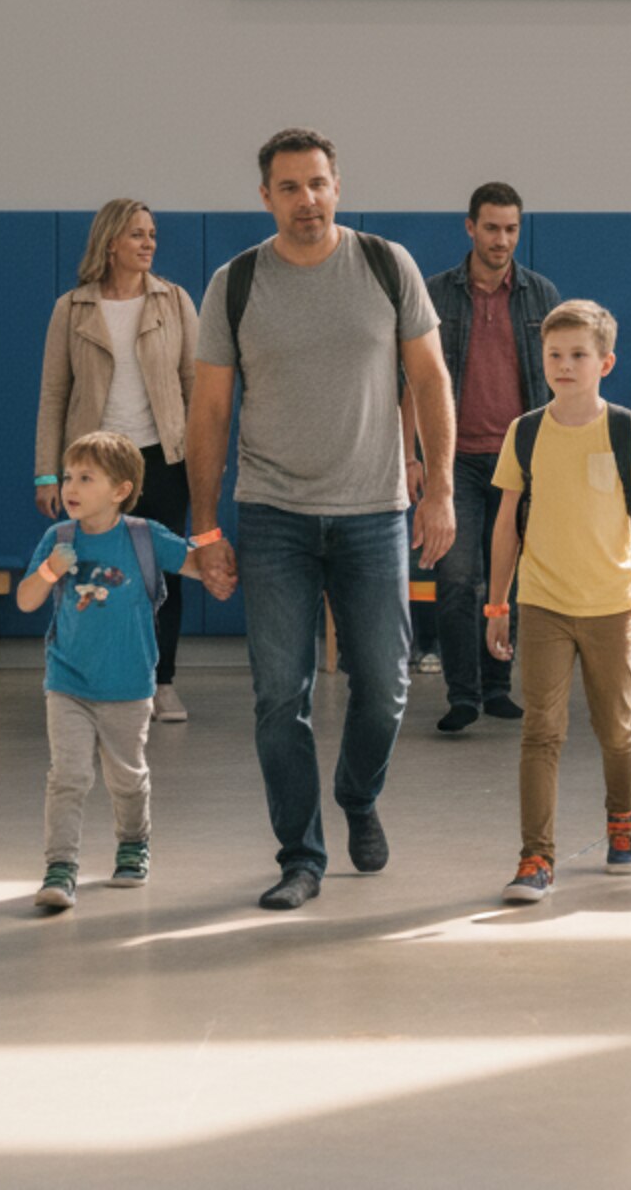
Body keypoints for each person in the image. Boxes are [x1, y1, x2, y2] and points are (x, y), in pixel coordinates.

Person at [185, 128, 456, 912]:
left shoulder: (385, 264)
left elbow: (430, 378)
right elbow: (207, 411)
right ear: (266, 196)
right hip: (273, 516)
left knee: (386, 686)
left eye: (319, 183)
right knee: (279, 696)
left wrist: (438, 489)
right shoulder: (235, 283)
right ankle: (300, 856)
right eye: (290, 187)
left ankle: (358, 796)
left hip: (375, 512)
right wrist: (205, 530)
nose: (308, 199)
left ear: (338, 186)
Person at [488, 300, 631, 907]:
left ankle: (624, 822)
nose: (564, 366)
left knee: (615, 727)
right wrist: (497, 604)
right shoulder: (526, 431)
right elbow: (506, 524)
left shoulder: (626, 430)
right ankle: (535, 857)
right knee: (541, 732)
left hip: (613, 605)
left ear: (606, 363)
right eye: (554, 356)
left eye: (577, 356)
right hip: (542, 603)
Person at [15, 430, 227, 913]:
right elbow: (26, 601)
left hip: (129, 686)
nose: (71, 486)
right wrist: (49, 570)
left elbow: (198, 565)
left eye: (86, 478)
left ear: (120, 490)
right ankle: (60, 867)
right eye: (69, 476)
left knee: (126, 777)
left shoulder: (144, 538)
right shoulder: (58, 538)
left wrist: (224, 566)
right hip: (67, 684)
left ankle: (133, 844)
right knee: (67, 776)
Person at [35, 200, 201, 721]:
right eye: (136, 235)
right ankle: (93, 681)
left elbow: (197, 388)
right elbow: (54, 395)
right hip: (97, 464)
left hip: (164, 459)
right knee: (93, 572)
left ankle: (161, 682)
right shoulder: (73, 307)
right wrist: (49, 472)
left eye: (152, 234)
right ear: (110, 243)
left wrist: (203, 462)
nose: (149, 243)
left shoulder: (173, 301)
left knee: (162, 574)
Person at [408, 181, 561, 733]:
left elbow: (561, 381)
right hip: (455, 463)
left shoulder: (541, 295)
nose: (502, 239)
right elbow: (410, 383)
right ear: (470, 227)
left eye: (512, 229)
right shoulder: (435, 294)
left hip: (521, 462)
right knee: (456, 576)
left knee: (511, 578)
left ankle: (497, 687)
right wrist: (411, 458)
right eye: (492, 227)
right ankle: (462, 694)